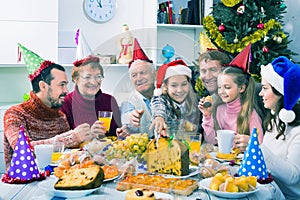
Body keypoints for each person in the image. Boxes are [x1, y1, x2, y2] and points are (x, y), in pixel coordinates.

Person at [3, 44, 94, 168]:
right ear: (43, 86)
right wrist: (72, 137)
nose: (67, 90)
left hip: (55, 178)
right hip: (24, 182)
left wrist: (87, 142)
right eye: (61, 85)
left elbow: (68, 152)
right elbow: (23, 149)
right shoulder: (14, 114)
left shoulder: (60, 116)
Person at [199, 44, 263, 151]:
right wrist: (207, 116)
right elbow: (211, 140)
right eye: (220, 87)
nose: (222, 92)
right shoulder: (219, 109)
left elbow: (261, 145)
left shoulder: (250, 114)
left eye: (227, 87)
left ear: (241, 88)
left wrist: (251, 142)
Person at [259, 56, 300, 199]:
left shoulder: (297, 131)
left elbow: (293, 177)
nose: (260, 93)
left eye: (265, 88)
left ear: (279, 92)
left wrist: (259, 149)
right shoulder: (274, 119)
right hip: (271, 190)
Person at [60, 55, 121, 137]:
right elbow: (62, 140)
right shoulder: (65, 103)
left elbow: (118, 134)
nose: (93, 82)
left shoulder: (110, 101)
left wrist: (122, 133)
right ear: (76, 79)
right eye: (87, 77)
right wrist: (89, 135)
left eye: (98, 77)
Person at [150, 59, 200, 135]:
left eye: (184, 84)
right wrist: (159, 116)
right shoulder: (163, 100)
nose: (179, 90)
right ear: (165, 87)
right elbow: (158, 104)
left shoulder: (196, 101)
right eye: (174, 85)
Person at [119, 38, 156, 137]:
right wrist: (131, 119)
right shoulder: (128, 101)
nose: (139, 78)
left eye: (143, 73)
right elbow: (127, 116)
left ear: (154, 74)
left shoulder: (164, 94)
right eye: (134, 75)